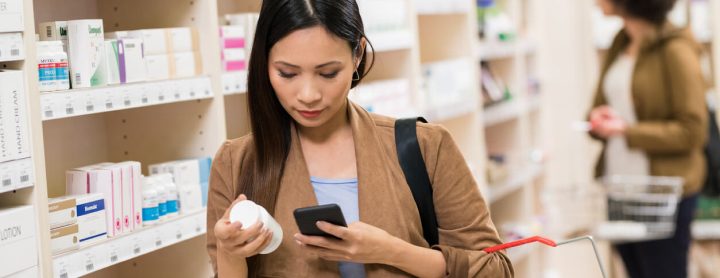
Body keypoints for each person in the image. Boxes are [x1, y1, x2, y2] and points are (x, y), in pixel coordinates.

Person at [206, 0, 513, 277]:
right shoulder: (236, 162)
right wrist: (229, 252)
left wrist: (391, 251)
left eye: (328, 73)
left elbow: (494, 270)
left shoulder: (426, 146)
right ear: (264, 64)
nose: (309, 95)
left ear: (357, 55)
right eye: (287, 73)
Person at [589, 0, 708, 277]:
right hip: (620, 188)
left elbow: (693, 131)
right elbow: (600, 104)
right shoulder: (620, 42)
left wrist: (626, 131)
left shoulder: (676, 49)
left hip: (662, 194)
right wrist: (598, 119)